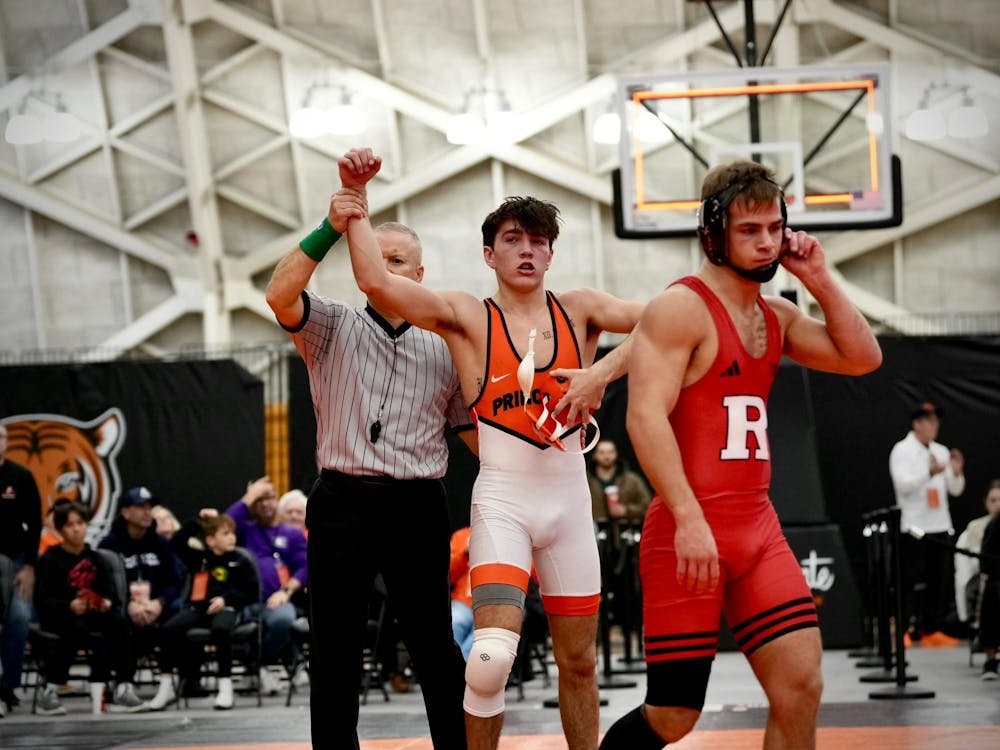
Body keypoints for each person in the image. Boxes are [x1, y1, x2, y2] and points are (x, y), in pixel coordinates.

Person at [337, 147, 643, 750]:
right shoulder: (467, 316)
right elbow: (376, 280)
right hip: (503, 502)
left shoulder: (580, 309)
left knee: (580, 666)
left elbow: (669, 322)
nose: (527, 250)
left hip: (569, 507)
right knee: (492, 658)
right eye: (513, 239)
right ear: (489, 253)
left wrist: (600, 373)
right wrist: (355, 203)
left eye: (539, 241)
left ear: (552, 253)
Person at [601, 159, 882, 750]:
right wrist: (689, 519)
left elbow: (863, 360)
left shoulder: (776, 314)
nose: (766, 242)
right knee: (674, 716)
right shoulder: (681, 308)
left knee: (800, 688)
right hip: (686, 532)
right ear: (713, 233)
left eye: (775, 228)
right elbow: (644, 417)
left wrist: (822, 281)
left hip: (758, 529)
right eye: (749, 229)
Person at [265, 162, 478, 750]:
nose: (385, 268)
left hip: (417, 504)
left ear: (420, 272)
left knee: (435, 644)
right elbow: (279, 294)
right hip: (341, 501)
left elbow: (472, 433)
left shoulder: (447, 342)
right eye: (375, 256)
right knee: (334, 648)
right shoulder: (330, 324)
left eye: (398, 261)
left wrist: (534, 476)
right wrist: (332, 226)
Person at [33, 501, 149, 715]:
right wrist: (68, 605)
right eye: (70, 525)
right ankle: (50, 690)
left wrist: (105, 603)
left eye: (80, 523)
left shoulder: (96, 559)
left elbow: (112, 596)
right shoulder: (50, 559)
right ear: (60, 529)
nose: (76, 529)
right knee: (75, 628)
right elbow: (42, 600)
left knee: (121, 624)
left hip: (93, 613)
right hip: (61, 615)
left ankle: (124, 687)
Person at [155, 513, 259, 709]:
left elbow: (251, 591)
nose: (231, 538)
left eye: (232, 533)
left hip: (229, 608)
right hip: (201, 609)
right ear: (210, 540)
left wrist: (226, 599)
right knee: (168, 629)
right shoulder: (200, 558)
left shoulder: (240, 560)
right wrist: (198, 521)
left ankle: (225, 686)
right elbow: (177, 542)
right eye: (225, 533)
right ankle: (166, 685)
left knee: (220, 629)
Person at [98, 486, 184, 710]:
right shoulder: (109, 545)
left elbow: (175, 581)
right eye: (140, 507)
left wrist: (159, 602)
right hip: (125, 610)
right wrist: (128, 605)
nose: (147, 512)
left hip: (156, 607)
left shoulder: (161, 544)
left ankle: (173, 684)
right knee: (115, 621)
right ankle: (123, 686)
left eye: (149, 507)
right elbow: (104, 585)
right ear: (125, 512)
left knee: (177, 614)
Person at [889, 401, 966, 646]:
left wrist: (956, 472)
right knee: (908, 579)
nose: (934, 426)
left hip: (940, 524)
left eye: (936, 421)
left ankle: (931, 628)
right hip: (913, 525)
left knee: (939, 580)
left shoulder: (942, 451)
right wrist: (928, 473)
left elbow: (955, 490)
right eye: (929, 421)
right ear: (917, 423)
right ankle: (902, 629)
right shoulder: (902, 450)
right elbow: (903, 485)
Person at [223, 476, 307, 691]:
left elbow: (306, 567)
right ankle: (262, 667)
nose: (264, 503)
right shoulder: (244, 530)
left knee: (284, 620)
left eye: (268, 497)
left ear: (277, 500)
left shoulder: (292, 533)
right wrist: (249, 496)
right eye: (258, 500)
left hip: (277, 600)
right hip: (243, 601)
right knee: (223, 624)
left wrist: (286, 591)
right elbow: (224, 524)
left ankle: (257, 665)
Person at [0, 421, 42, 714]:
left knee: (18, 617)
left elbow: (36, 523)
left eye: (0, 437)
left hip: (16, 560)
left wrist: (29, 564)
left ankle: (8, 686)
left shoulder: (20, 476)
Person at [955, 480, 1000, 626]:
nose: (998, 504)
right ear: (985, 502)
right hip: (987, 578)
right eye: (993, 500)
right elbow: (976, 562)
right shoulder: (975, 527)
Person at [977, 494, 1000, 680]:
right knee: (994, 591)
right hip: (998, 577)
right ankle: (991, 660)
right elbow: (986, 561)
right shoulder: (996, 524)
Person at [450, 526, 474, 660]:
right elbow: (448, 575)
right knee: (454, 622)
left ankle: (462, 672)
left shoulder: (507, 533)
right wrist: (464, 554)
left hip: (495, 602)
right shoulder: (461, 536)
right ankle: (456, 673)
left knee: (485, 633)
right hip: (464, 601)